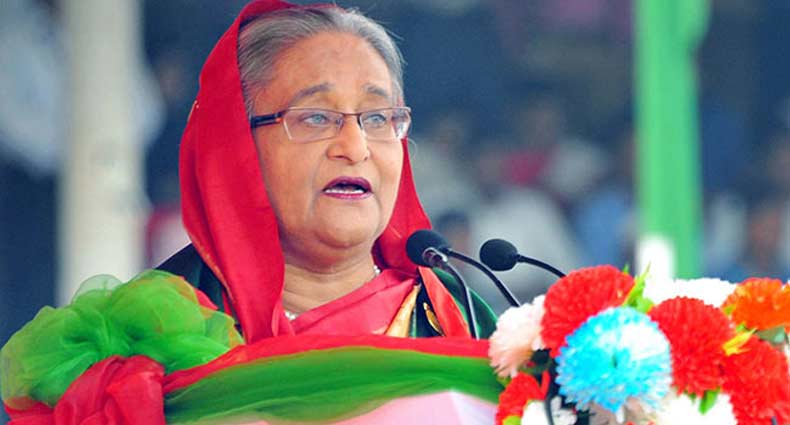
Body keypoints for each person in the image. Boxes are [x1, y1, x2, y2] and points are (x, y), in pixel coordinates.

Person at [157, 0, 496, 342]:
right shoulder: (160, 331)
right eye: (316, 117)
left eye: (377, 117)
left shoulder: (462, 323)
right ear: (236, 146)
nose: (355, 148)